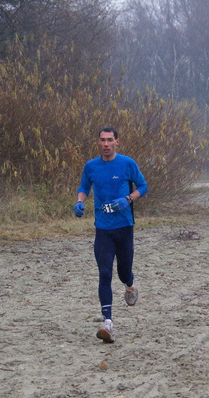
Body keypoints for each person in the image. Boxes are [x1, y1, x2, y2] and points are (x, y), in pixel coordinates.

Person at [74, 127, 148, 343]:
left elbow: (143, 186)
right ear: (98, 143)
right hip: (103, 230)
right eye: (102, 140)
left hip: (124, 227)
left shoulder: (127, 163)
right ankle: (107, 323)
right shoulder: (91, 166)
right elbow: (84, 187)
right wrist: (80, 201)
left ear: (117, 142)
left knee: (123, 272)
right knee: (105, 273)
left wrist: (128, 199)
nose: (106, 144)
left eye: (109, 140)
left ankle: (130, 284)